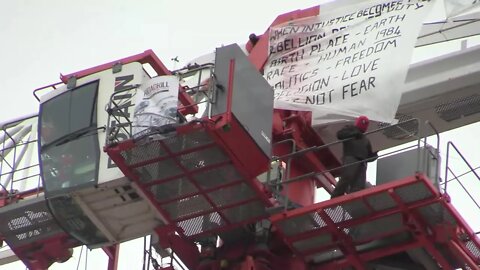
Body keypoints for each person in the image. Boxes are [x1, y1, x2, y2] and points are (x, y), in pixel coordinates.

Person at [331, 116, 378, 198]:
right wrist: (354, 133)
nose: (364, 125)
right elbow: (340, 135)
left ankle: (354, 202)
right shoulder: (350, 129)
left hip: (362, 162)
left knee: (359, 185)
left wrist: (374, 155)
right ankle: (336, 197)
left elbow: (369, 155)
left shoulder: (365, 139)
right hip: (351, 157)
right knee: (347, 177)